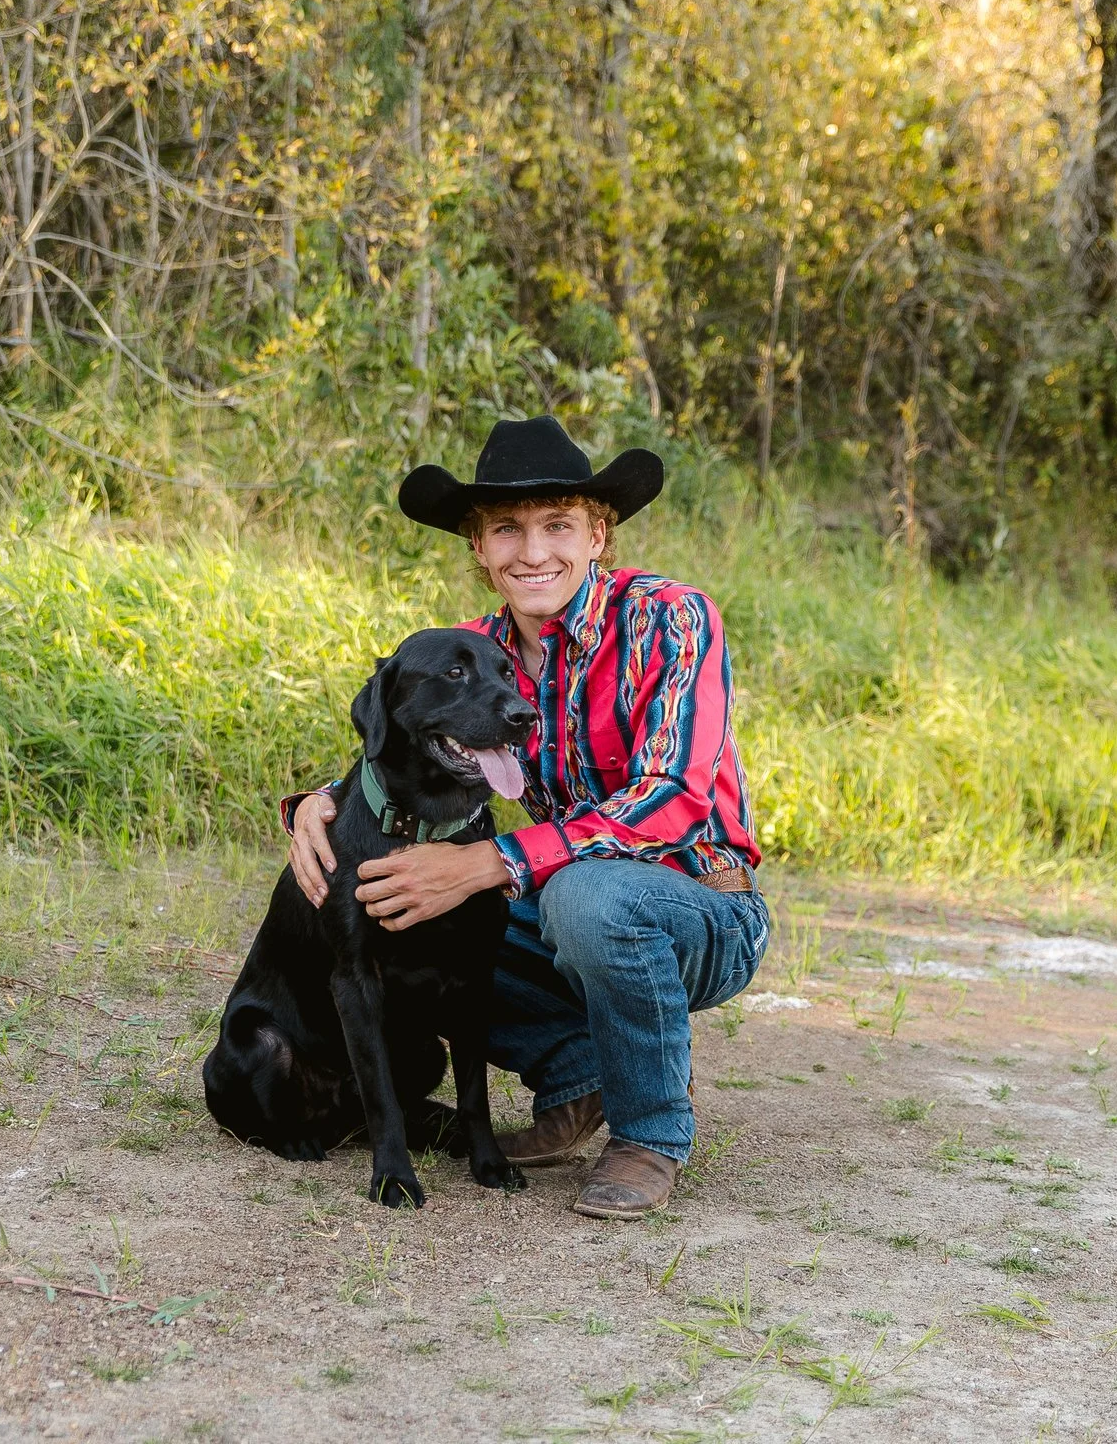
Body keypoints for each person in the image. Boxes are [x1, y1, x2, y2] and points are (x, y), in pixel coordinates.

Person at [284, 416, 767, 1219]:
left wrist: (487, 864)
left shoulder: (669, 619)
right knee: (400, 912)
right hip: (559, 901)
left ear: (598, 535)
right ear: (479, 548)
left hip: (699, 904)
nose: (533, 551)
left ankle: (650, 1132)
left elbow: (675, 794)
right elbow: (392, 735)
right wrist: (312, 804)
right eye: (507, 529)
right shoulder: (475, 653)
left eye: (557, 525)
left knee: (587, 897)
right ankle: (582, 1080)